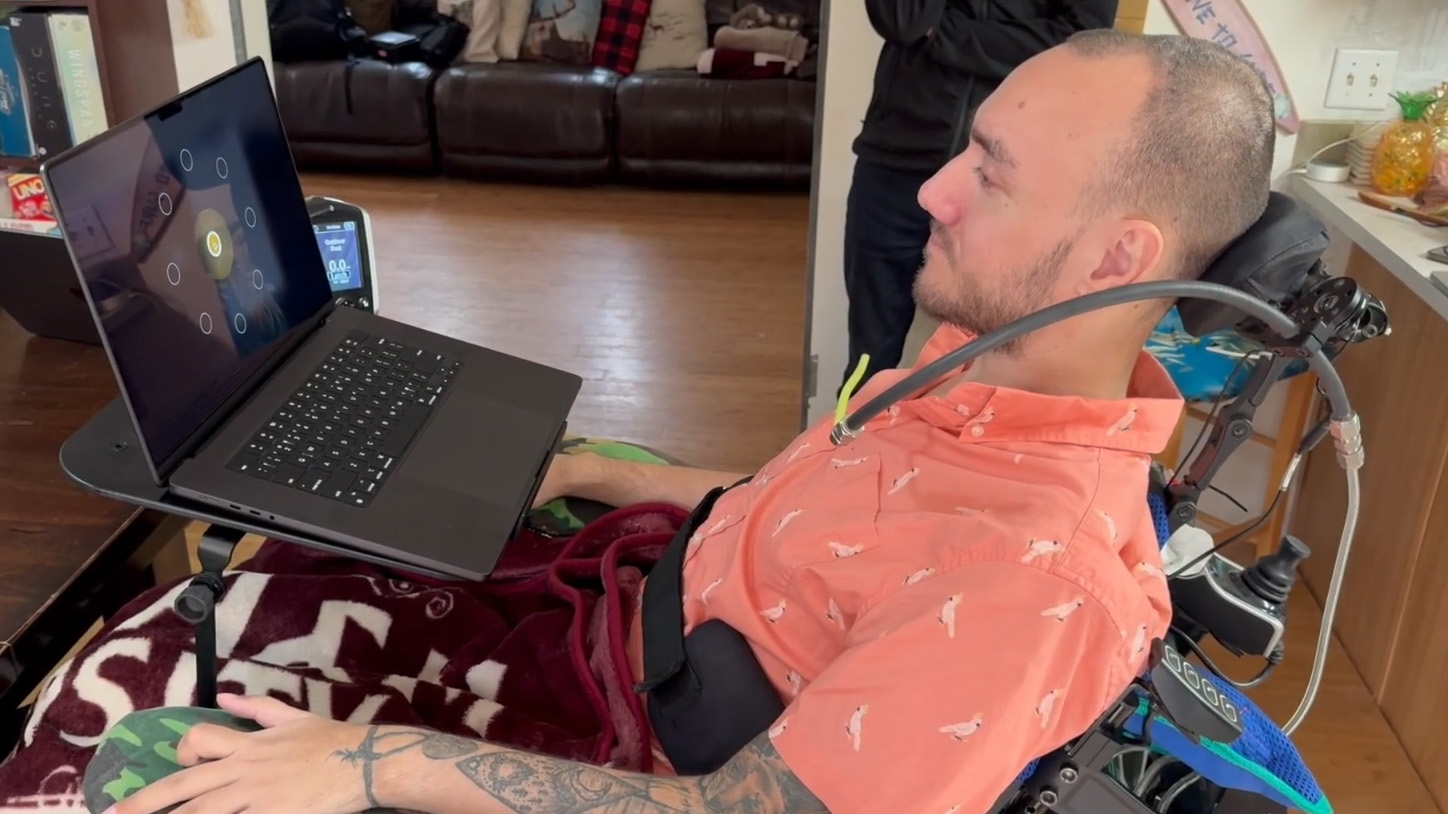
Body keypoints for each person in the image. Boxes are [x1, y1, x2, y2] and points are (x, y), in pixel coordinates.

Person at [107, 30, 1276, 814]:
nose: (933, 188)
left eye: (993, 172)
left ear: (1119, 257)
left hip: (635, 738)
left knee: (153, 757)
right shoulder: (981, 364)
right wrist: (598, 477)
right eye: (966, 142)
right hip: (630, 589)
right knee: (311, 519)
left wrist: (360, 765)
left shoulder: (1035, 584)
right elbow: (827, 501)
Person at [841, 0, 1119, 390]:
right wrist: (993, 41)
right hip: (895, 162)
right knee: (869, 354)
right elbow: (904, 21)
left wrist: (943, 36)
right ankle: (843, 444)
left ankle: (957, 449)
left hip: (1006, 178)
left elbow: (1079, 45)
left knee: (993, 360)